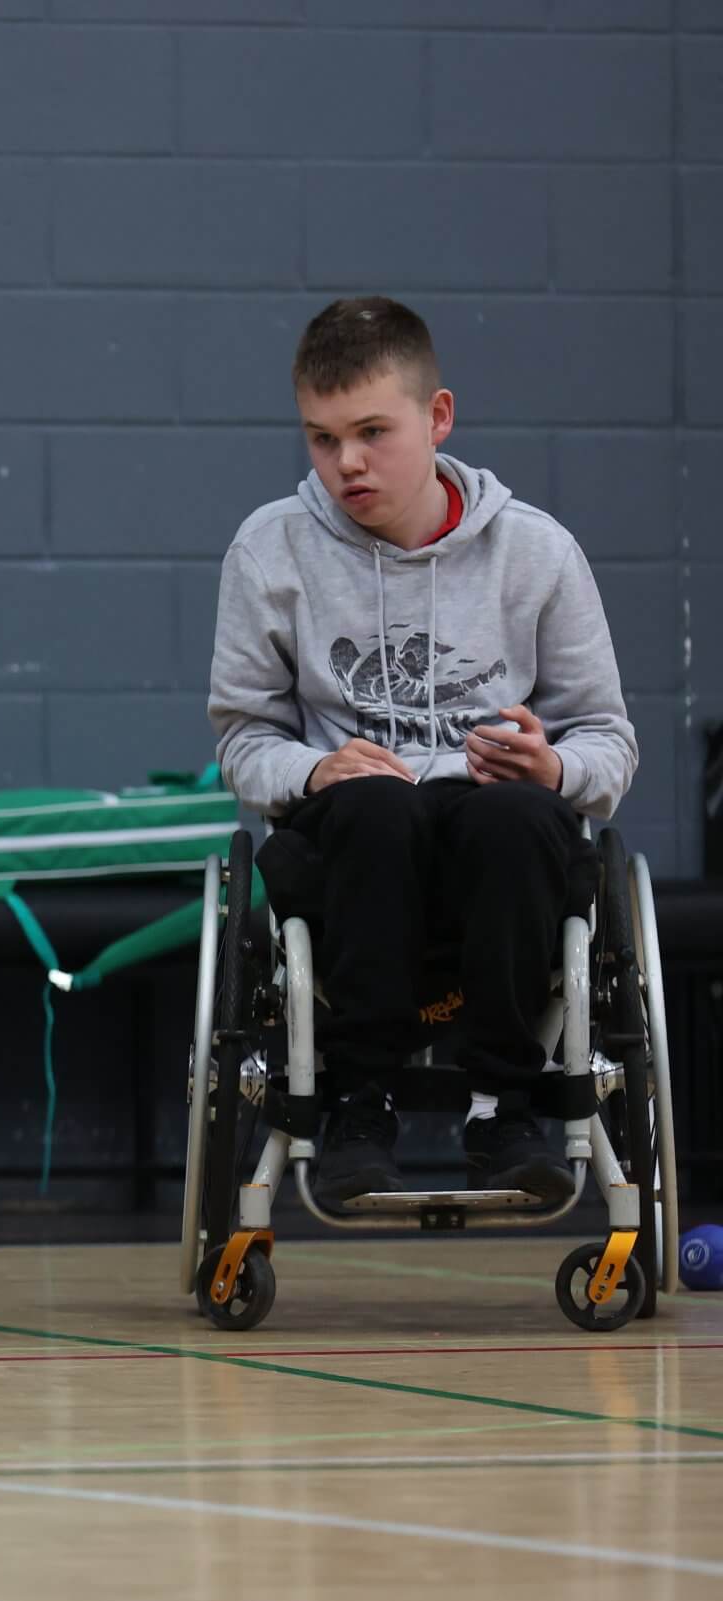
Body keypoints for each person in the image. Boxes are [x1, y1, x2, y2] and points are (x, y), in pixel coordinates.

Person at [209, 296, 637, 1206]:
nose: (346, 463)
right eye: (322, 439)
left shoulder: (537, 553)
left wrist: (556, 767)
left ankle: (504, 1102)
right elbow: (244, 740)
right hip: (354, 845)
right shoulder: (268, 552)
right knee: (375, 802)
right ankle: (360, 1100)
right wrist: (315, 767)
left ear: (437, 417)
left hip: (499, 847)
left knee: (519, 812)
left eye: (371, 431)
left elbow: (609, 740)